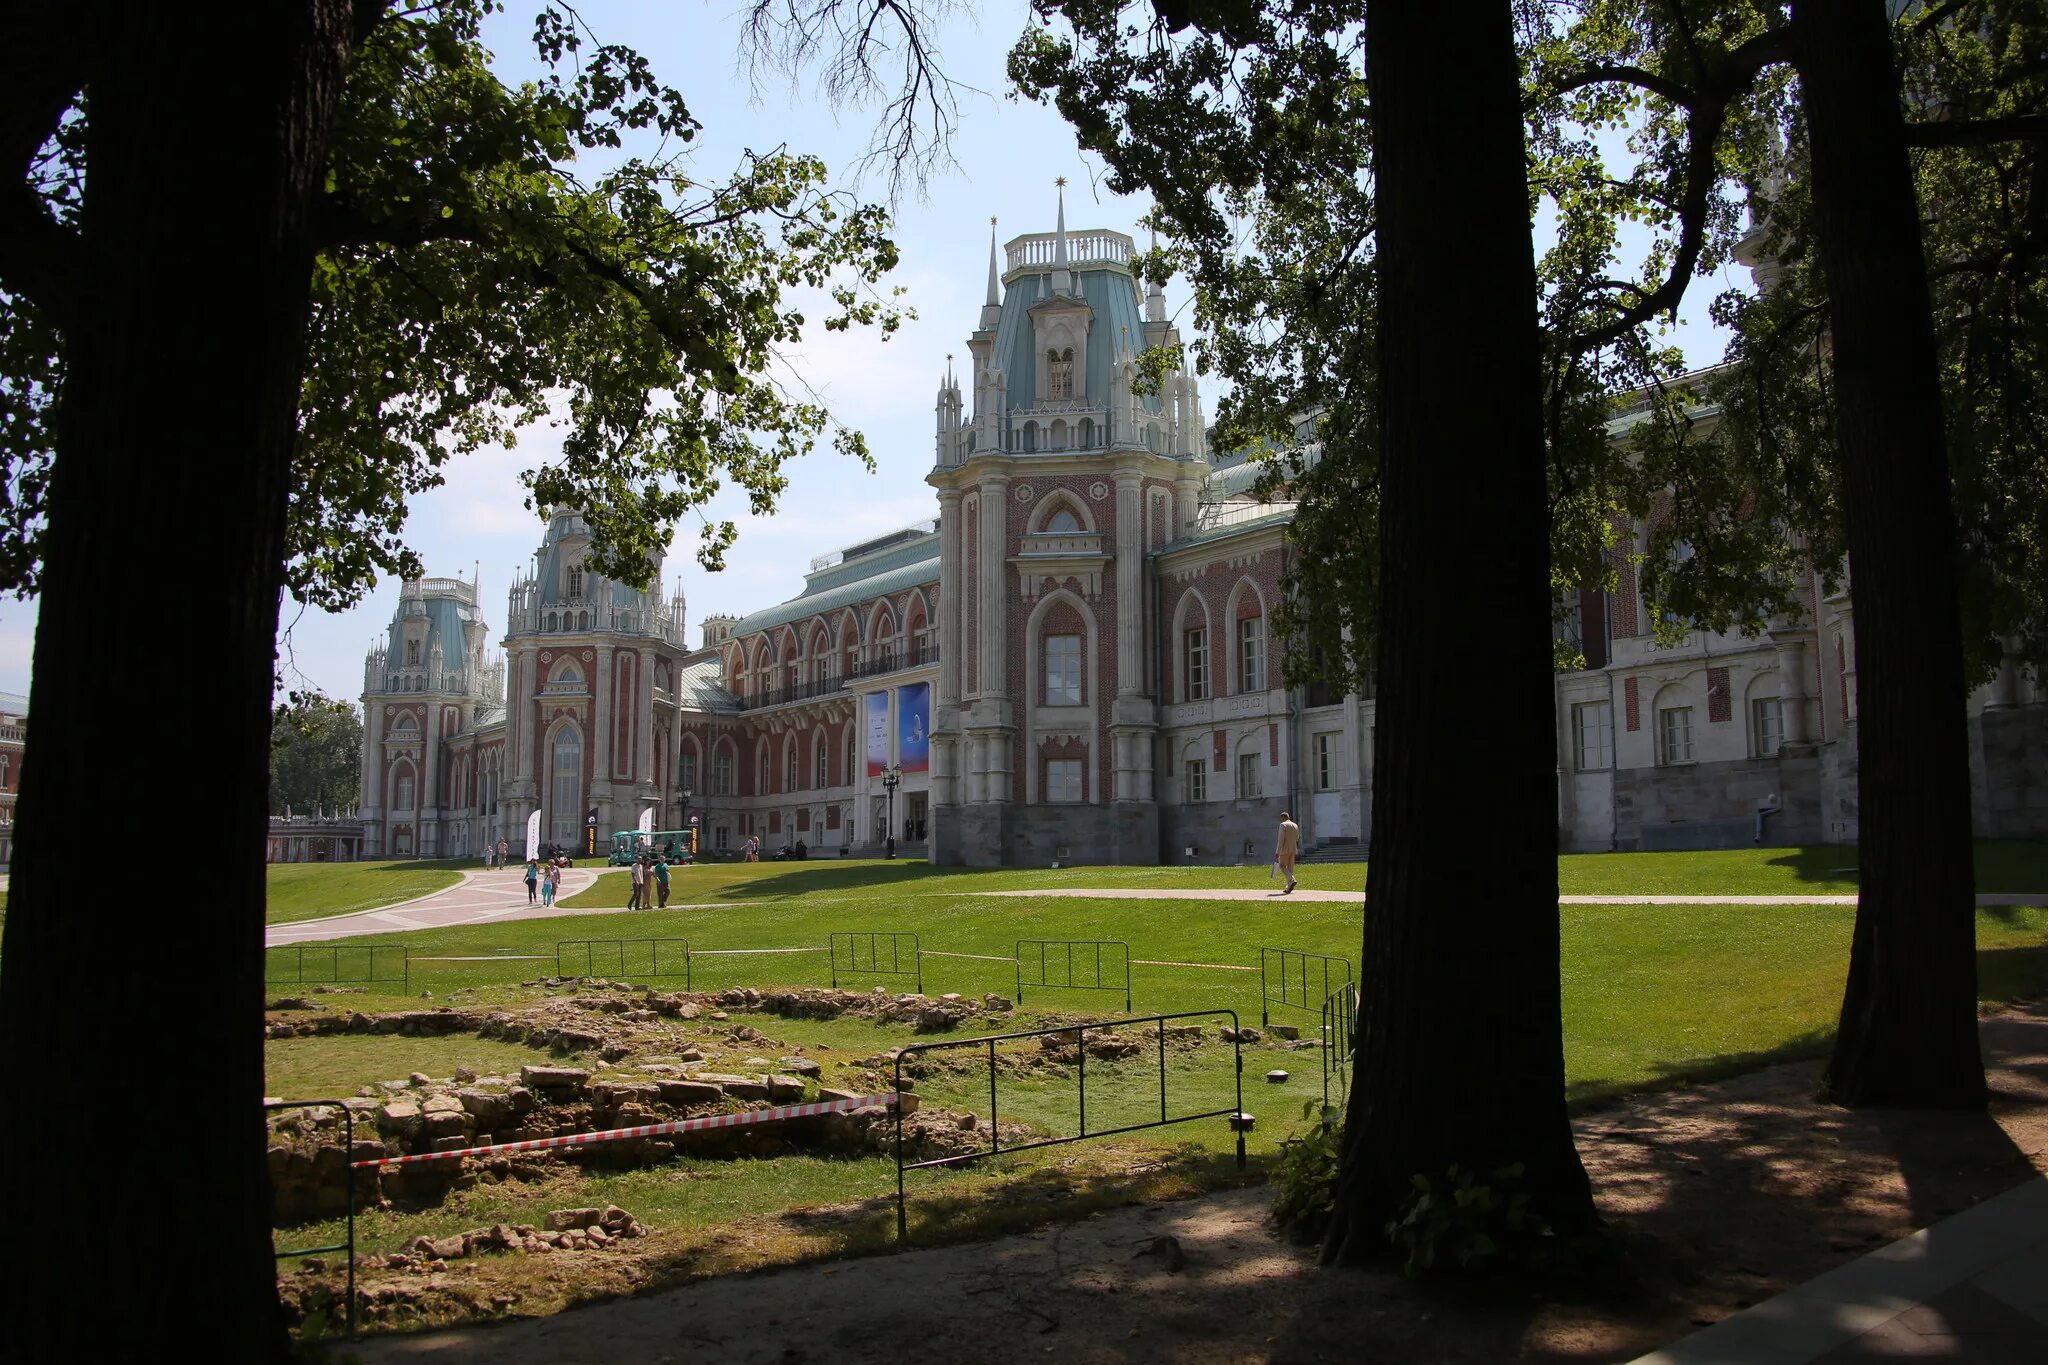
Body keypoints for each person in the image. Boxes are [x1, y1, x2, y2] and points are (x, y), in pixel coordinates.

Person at [1275, 811, 1301, 894]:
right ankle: (1288, 888)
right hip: (1293, 849)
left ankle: (1292, 880)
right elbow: (1297, 838)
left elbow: (1281, 839)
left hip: (1284, 849)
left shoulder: (1283, 825)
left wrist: (1277, 851)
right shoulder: (1295, 825)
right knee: (1290, 869)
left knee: (1282, 866)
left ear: (1283, 817)